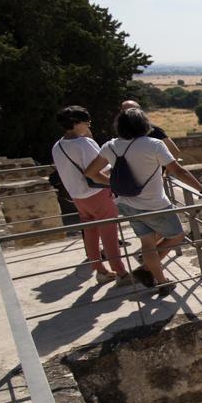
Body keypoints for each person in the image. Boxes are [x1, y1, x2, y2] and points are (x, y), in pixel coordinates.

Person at [85, 108, 202, 295]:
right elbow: (178, 171)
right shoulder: (154, 145)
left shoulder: (110, 146)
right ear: (144, 124)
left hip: (127, 204)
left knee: (147, 244)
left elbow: (91, 173)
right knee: (177, 236)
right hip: (155, 204)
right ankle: (146, 270)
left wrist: (113, 184)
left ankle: (161, 281)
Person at [51, 106, 129, 284]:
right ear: (76, 123)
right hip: (97, 193)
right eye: (87, 121)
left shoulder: (58, 146)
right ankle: (121, 273)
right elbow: (98, 170)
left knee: (90, 232)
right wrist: (116, 184)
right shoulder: (84, 143)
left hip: (78, 196)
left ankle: (100, 270)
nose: (88, 124)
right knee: (109, 233)